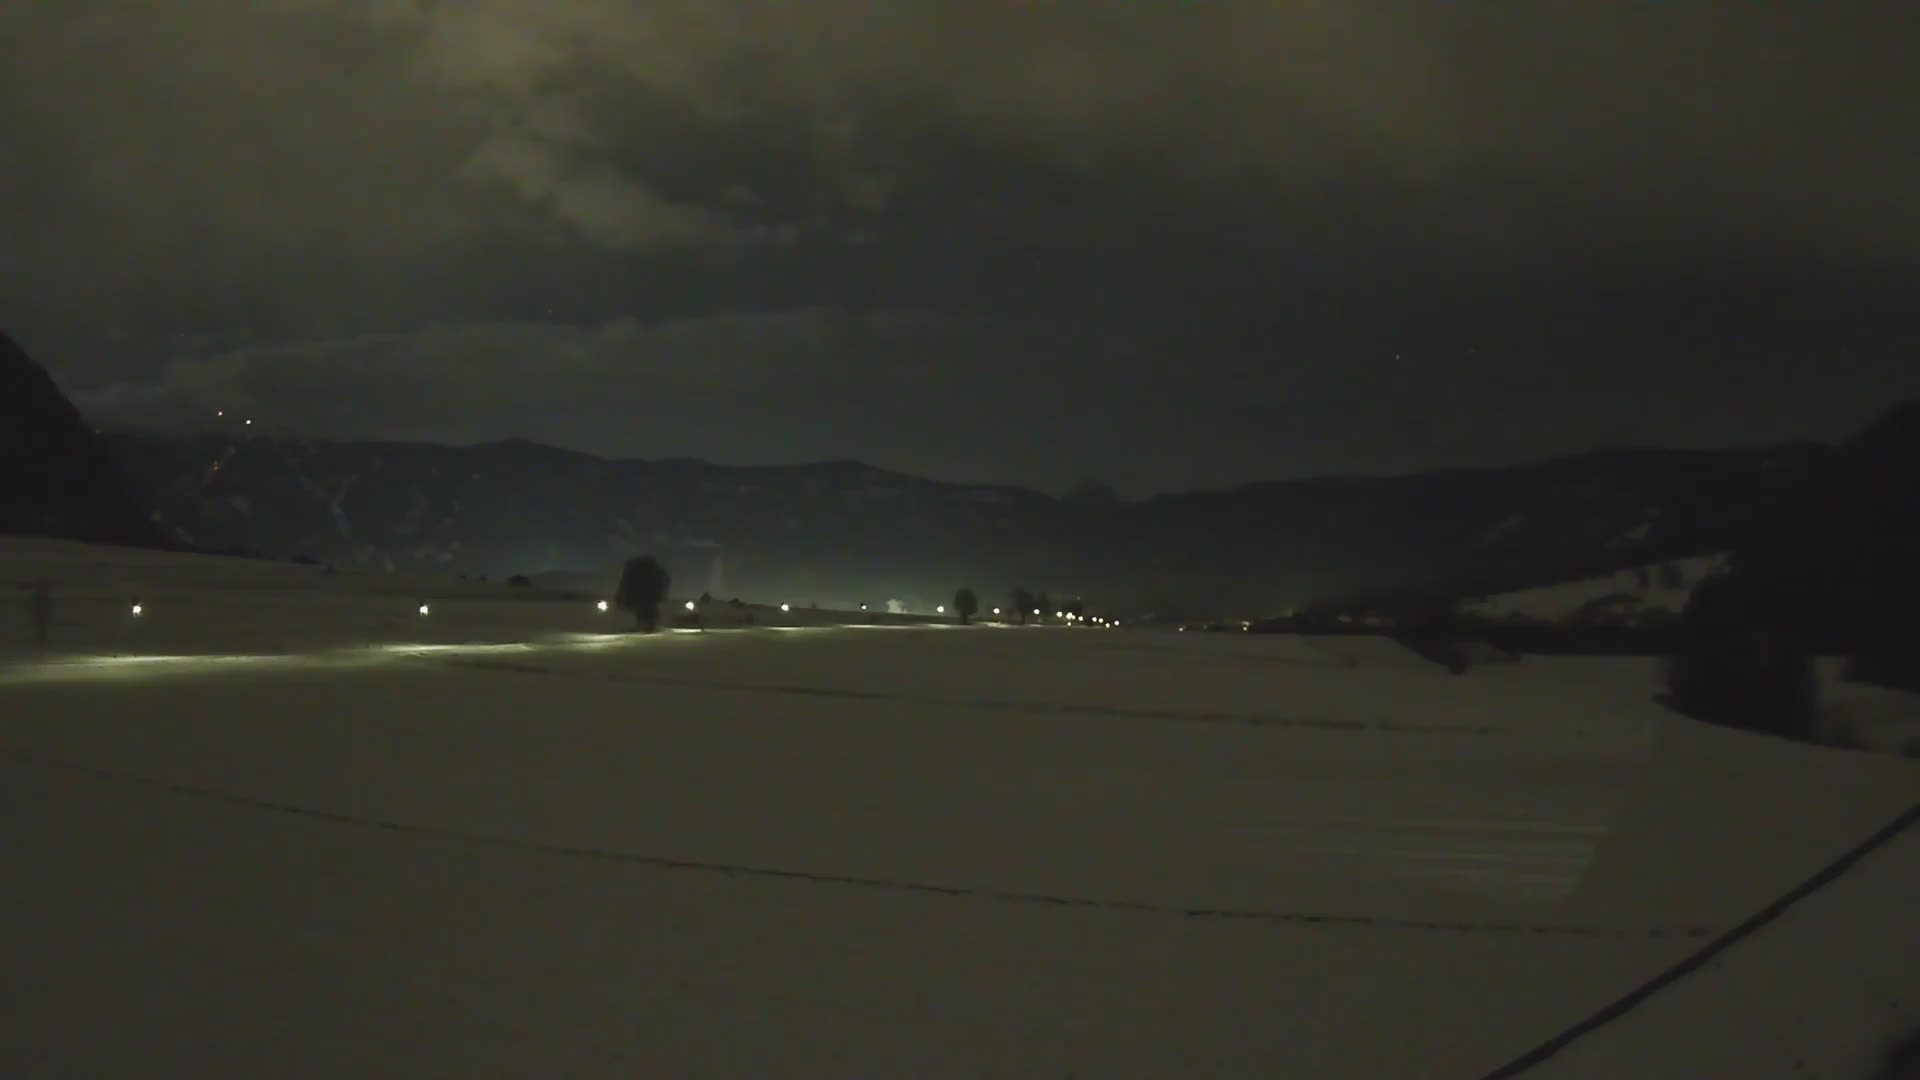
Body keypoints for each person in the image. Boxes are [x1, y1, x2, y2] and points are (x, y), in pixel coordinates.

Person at [27, 579, 53, 647]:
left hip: (41, 613)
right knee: (41, 627)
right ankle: (41, 639)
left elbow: (35, 605)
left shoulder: (39, 596)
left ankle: (41, 639)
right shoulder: (42, 596)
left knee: (41, 627)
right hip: (41, 613)